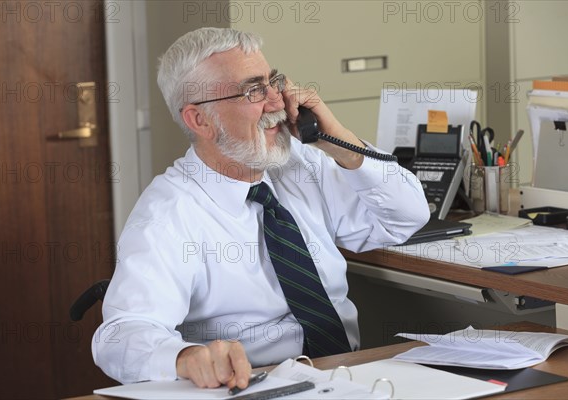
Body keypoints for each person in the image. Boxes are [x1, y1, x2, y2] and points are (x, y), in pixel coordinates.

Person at [92, 27, 429, 390]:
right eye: (254, 90)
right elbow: (119, 335)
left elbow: (406, 217)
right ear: (199, 120)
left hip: (347, 375)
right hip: (255, 386)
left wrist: (340, 142)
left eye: (274, 82)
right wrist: (184, 357)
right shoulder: (169, 212)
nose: (278, 102)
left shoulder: (298, 164)